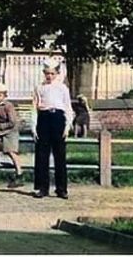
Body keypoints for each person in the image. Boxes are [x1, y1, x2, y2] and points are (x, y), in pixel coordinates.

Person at [32, 59, 73, 199]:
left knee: (59, 155)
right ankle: (42, 188)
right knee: (42, 155)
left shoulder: (62, 88)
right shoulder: (39, 87)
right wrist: (33, 126)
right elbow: (35, 107)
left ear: (57, 73)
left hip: (58, 119)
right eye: (47, 73)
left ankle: (61, 188)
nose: (49, 76)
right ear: (44, 73)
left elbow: (68, 108)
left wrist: (67, 126)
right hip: (44, 118)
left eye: (52, 73)